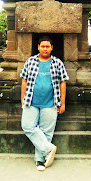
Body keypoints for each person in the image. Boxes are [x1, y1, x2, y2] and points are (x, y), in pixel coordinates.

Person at [20, 36, 69, 171]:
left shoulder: (57, 63)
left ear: (52, 48)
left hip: (51, 102)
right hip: (31, 101)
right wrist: (22, 99)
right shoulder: (30, 61)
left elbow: (63, 82)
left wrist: (62, 103)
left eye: (48, 46)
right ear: (38, 47)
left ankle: (40, 160)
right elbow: (24, 80)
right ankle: (49, 149)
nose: (45, 49)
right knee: (27, 126)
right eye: (43, 46)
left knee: (46, 132)